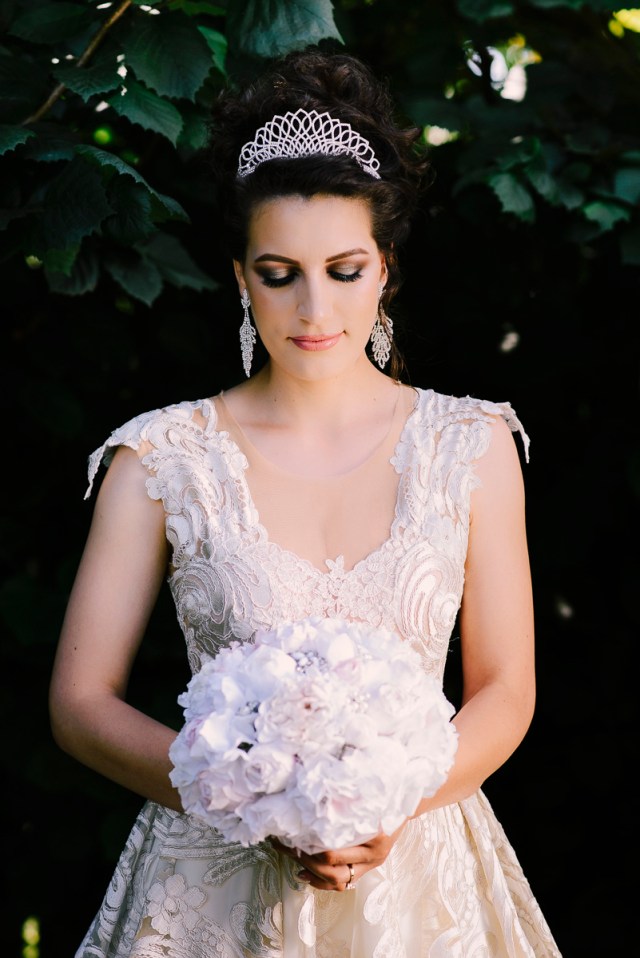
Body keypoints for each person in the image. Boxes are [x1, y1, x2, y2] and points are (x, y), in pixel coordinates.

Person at [49, 47, 562, 958]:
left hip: (421, 876)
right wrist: (244, 799)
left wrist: (393, 805)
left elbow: (506, 689)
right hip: (214, 881)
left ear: (385, 268)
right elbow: (82, 703)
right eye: (279, 272)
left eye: (345, 269)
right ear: (240, 276)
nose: (314, 308)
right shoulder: (161, 457)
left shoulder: (471, 444)